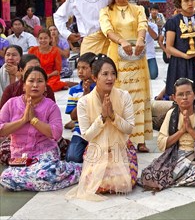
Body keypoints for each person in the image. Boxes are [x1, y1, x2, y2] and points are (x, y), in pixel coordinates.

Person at [66, 56, 137, 200]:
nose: (110, 78)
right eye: (105, 74)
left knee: (123, 183)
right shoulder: (84, 102)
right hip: (97, 150)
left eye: (112, 73)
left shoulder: (124, 96)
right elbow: (87, 136)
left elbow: (129, 129)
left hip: (121, 148)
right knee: (95, 184)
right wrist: (103, 118)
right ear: (94, 77)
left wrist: (113, 116)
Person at [0, 67, 81, 191]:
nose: (35, 85)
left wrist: (34, 120)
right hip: (20, 157)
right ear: (23, 85)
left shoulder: (51, 106)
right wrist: (23, 120)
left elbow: (56, 133)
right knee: (5, 178)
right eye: (31, 81)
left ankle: (73, 171)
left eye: (40, 81)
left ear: (45, 86)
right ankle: (56, 176)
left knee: (44, 172)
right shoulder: (11, 104)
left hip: (45, 155)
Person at [99, 0, 152, 152]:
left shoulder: (138, 9)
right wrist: (122, 41)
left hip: (137, 58)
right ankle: (121, 138)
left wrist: (139, 40)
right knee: (118, 97)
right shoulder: (106, 11)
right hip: (116, 58)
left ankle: (140, 139)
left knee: (138, 98)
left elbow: (142, 26)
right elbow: (107, 30)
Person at [139, 78, 195, 191]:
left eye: (188, 93)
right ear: (174, 98)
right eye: (181, 94)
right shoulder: (171, 114)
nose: (185, 97)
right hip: (174, 156)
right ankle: (182, 178)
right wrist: (181, 131)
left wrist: (191, 130)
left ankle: (176, 178)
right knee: (150, 175)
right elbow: (161, 143)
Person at [64, 52, 96, 163]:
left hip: (98, 131)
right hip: (80, 131)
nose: (80, 71)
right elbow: (73, 117)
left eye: (84, 68)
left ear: (94, 69)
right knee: (72, 158)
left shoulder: (100, 88)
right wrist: (84, 96)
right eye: (78, 68)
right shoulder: (74, 91)